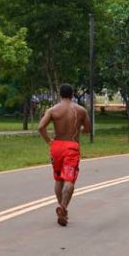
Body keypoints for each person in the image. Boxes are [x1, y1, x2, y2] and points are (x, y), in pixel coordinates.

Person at [38, 84, 90, 226]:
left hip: (57, 147)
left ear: (60, 95)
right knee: (69, 180)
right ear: (72, 94)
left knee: (58, 179)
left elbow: (41, 127)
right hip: (71, 146)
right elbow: (88, 129)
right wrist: (78, 129)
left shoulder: (53, 110)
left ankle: (61, 206)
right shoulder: (80, 110)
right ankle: (63, 207)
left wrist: (49, 141)